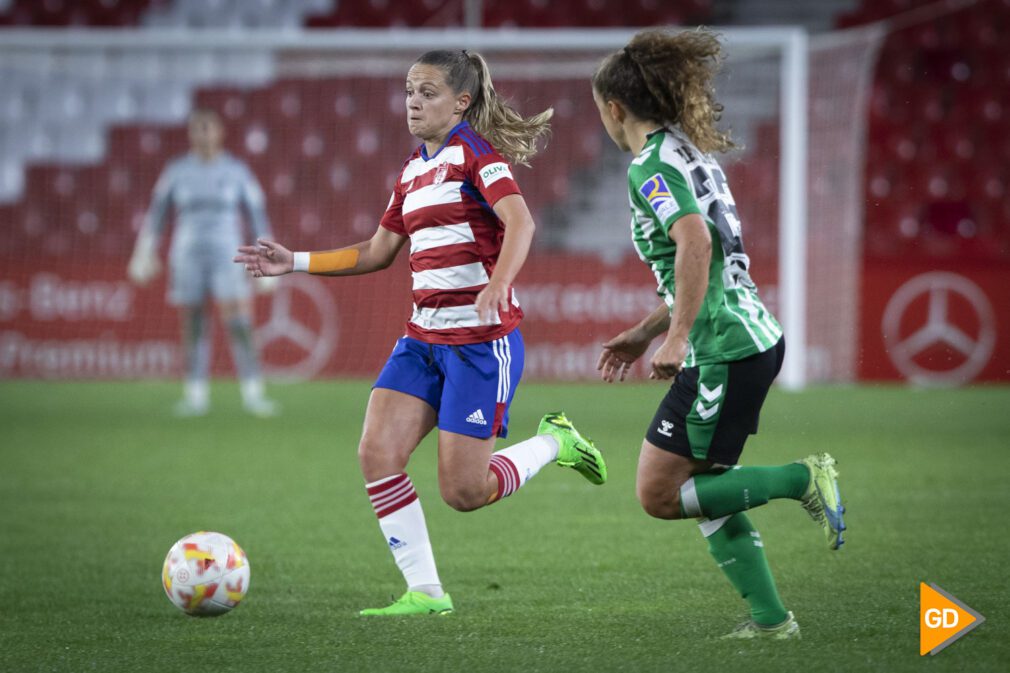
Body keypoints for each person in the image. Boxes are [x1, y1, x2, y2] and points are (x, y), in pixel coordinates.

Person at [235, 49, 607, 616]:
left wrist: (500, 282)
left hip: (480, 345)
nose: (413, 100)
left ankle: (556, 441)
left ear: (461, 102)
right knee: (377, 453)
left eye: (428, 91)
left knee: (464, 492)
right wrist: (296, 262)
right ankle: (426, 593)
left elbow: (521, 222)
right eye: (410, 89)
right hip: (422, 342)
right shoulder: (411, 170)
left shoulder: (479, 157)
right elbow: (376, 251)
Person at [591, 28, 846, 640]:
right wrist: (647, 332)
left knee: (658, 492)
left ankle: (799, 478)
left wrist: (676, 340)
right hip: (744, 338)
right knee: (701, 487)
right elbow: (704, 263)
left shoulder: (651, 165)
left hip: (724, 350)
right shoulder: (689, 153)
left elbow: (696, 242)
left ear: (616, 108)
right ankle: (771, 621)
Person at [128, 109, 278, 418]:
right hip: (187, 254)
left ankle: (253, 393)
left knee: (238, 319)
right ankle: (195, 394)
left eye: (209, 129)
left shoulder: (237, 171)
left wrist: (267, 256)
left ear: (219, 133)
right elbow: (157, 214)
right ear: (191, 135)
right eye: (199, 129)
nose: (204, 135)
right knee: (194, 321)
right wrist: (144, 251)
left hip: (228, 252)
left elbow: (257, 215)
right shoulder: (176, 171)